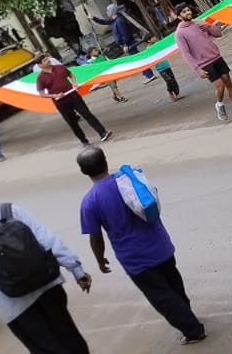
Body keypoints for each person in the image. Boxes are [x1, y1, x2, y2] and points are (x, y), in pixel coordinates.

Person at [0, 180, 92, 354]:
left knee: (46, 349)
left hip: (15, 303)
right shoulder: (10, 209)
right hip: (49, 287)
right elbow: (48, 241)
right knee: (70, 339)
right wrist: (76, 270)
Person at [76, 148, 206, 345]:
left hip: (136, 259)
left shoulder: (89, 202)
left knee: (161, 296)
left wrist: (100, 259)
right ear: (105, 161)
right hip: (161, 245)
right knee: (173, 285)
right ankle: (187, 315)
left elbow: (96, 238)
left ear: (83, 172)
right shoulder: (128, 180)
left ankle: (193, 330)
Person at [173, 3, 232, 122]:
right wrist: (197, 69)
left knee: (228, 82)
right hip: (204, 63)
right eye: (184, 12)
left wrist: (207, 25)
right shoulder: (179, 33)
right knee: (220, 86)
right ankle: (219, 105)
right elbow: (186, 54)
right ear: (179, 16)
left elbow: (218, 34)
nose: (188, 13)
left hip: (216, 57)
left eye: (188, 10)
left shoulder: (199, 23)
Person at [36, 56, 113, 147]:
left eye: (47, 58)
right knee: (72, 122)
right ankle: (84, 141)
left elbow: (71, 75)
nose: (48, 60)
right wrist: (54, 95)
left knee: (87, 114)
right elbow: (41, 93)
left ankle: (102, 133)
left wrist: (74, 82)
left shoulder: (60, 67)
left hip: (74, 96)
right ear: (40, 65)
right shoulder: (40, 78)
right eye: (44, 60)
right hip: (61, 103)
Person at [90, 4, 152, 81]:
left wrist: (125, 44)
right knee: (136, 59)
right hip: (126, 44)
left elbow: (125, 34)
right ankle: (148, 74)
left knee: (137, 59)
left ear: (112, 12)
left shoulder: (119, 21)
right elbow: (104, 22)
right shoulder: (114, 20)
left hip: (129, 44)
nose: (106, 12)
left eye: (107, 10)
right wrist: (93, 18)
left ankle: (149, 75)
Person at [143, 35, 183, 102]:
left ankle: (177, 94)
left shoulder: (158, 44)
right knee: (168, 80)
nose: (155, 38)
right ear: (148, 40)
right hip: (160, 68)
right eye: (152, 37)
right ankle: (170, 92)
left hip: (166, 65)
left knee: (173, 79)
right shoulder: (148, 49)